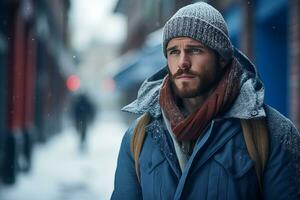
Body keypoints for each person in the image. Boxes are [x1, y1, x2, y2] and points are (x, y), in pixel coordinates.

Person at [111, 2, 300, 200]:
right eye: (174, 51)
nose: (183, 62)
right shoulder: (139, 136)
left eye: (195, 50)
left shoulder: (271, 133)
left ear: (222, 58)